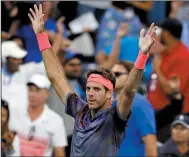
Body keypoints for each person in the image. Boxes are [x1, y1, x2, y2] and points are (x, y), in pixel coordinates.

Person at [28, 4, 157, 156]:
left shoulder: (115, 117)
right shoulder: (80, 110)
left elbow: (129, 91)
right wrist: (41, 35)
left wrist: (142, 55)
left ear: (109, 93)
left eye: (96, 89)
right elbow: (56, 77)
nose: (90, 93)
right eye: (88, 88)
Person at [9, 74, 68, 156]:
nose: (32, 94)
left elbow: (59, 151)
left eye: (37, 90)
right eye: (30, 90)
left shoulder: (56, 120)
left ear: (47, 93)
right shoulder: (15, 114)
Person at [111, 61, 157, 156]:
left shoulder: (140, 103)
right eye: (110, 74)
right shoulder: (107, 103)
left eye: (117, 74)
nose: (112, 77)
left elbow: (150, 141)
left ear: (131, 77)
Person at [147, 18, 189, 113]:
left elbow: (171, 92)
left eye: (160, 31)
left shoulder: (183, 57)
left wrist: (157, 69)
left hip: (170, 115)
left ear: (167, 33)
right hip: (155, 109)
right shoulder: (164, 53)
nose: (158, 34)